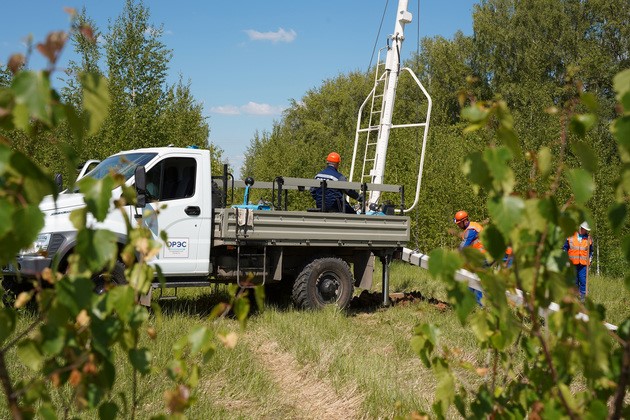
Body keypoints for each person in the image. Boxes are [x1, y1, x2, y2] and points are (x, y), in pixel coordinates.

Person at [454, 210, 486, 305]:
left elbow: (462, 248)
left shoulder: (471, 231)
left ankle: (479, 305)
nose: (458, 226)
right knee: (470, 279)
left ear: (464, 221)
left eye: (459, 224)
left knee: (475, 280)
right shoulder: (473, 226)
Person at [563, 222, 593, 302]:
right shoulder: (570, 236)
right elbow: (565, 248)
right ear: (580, 228)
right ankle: (575, 298)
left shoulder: (589, 238)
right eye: (585, 230)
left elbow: (591, 251)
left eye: (587, 230)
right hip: (572, 263)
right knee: (575, 281)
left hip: (583, 264)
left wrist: (590, 260)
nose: (586, 231)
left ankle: (583, 299)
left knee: (583, 280)